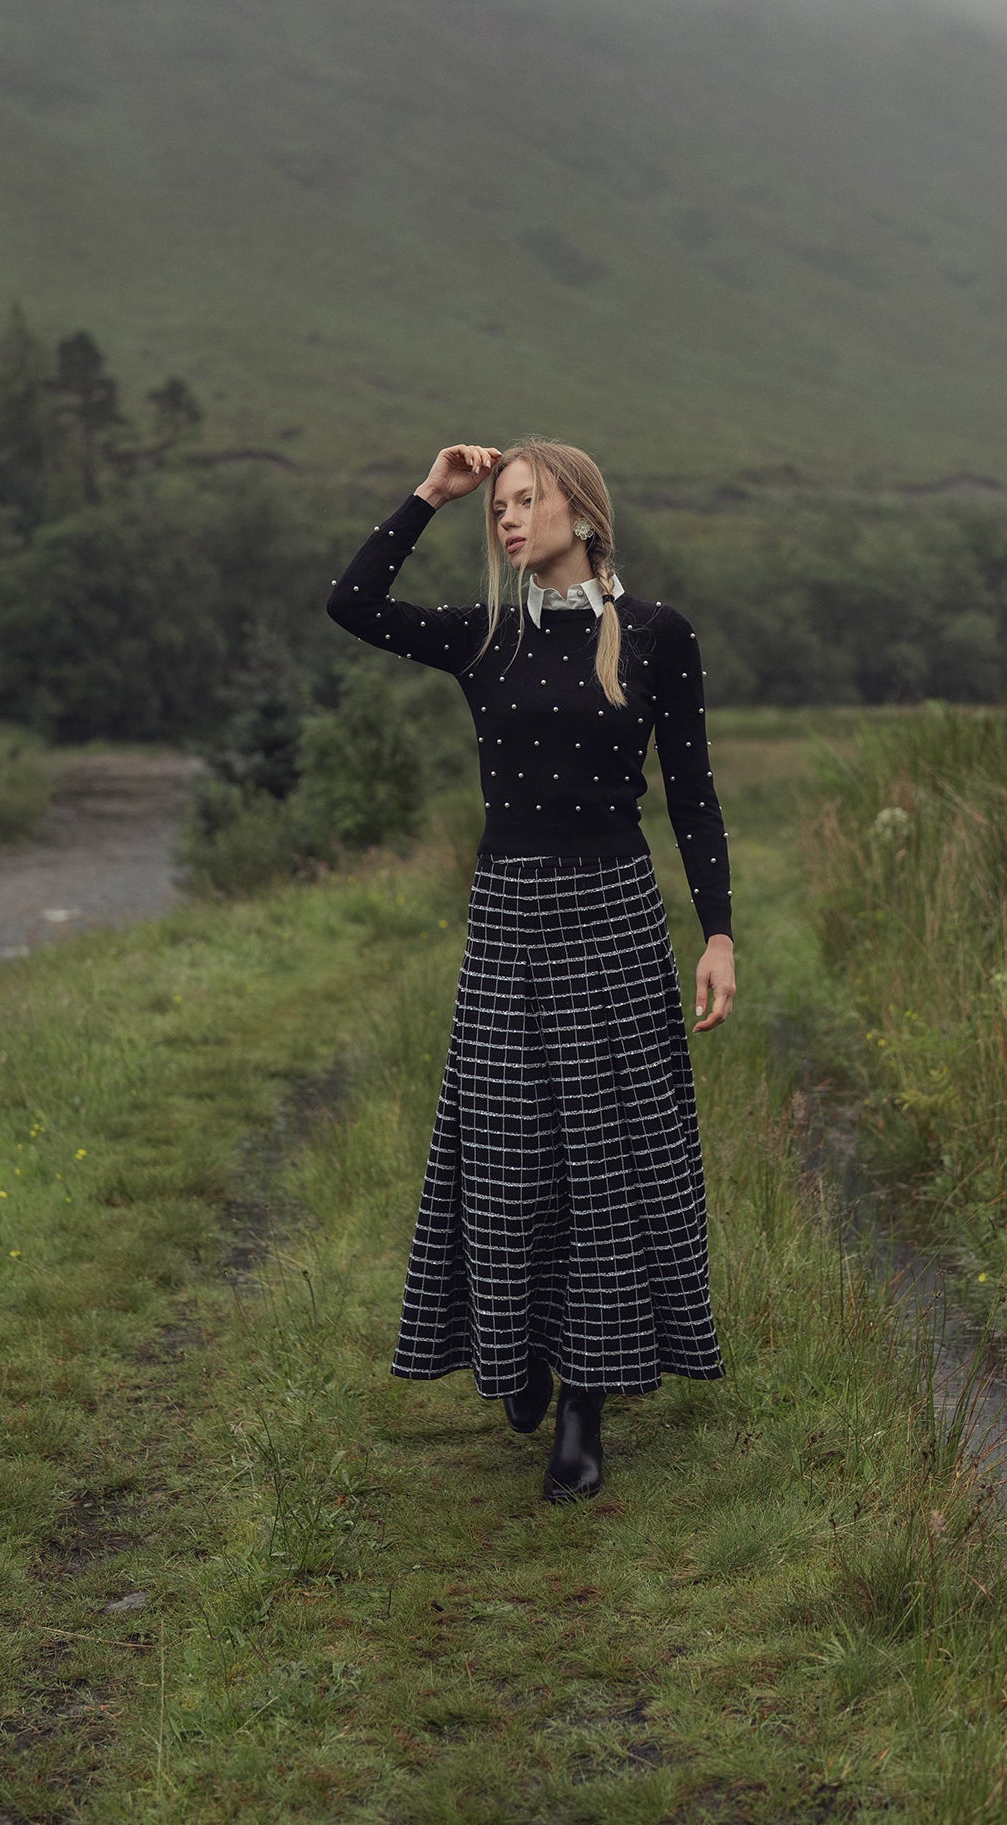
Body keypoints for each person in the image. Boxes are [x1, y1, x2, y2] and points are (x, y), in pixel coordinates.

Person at [327, 438, 735, 1501]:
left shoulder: (655, 635)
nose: (505, 520)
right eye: (495, 508)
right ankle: (519, 1357)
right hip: (508, 917)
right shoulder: (484, 635)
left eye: (523, 501)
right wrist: (428, 492)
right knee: (508, 1154)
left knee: (602, 1166)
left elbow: (691, 795)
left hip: (613, 918)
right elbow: (353, 604)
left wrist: (721, 935)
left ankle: (581, 1410)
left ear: (581, 511)